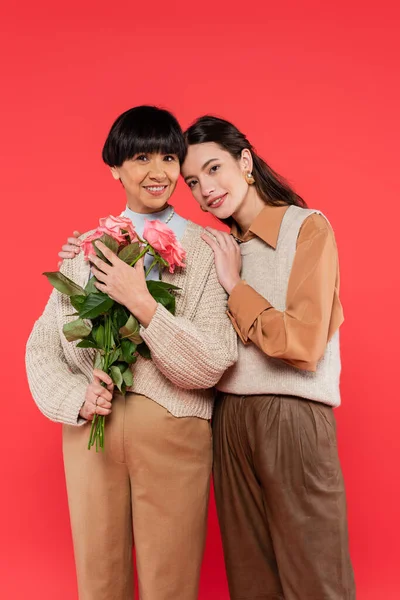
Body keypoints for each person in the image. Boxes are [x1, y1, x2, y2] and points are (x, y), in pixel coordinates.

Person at [26, 106, 237, 600]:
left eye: (168, 157)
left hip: (175, 431)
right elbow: (42, 347)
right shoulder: (85, 250)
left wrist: (142, 304)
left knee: (172, 582)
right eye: (141, 157)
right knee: (98, 580)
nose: (157, 171)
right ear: (115, 168)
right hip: (92, 436)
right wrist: (78, 396)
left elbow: (213, 359)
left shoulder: (207, 250)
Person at [181, 115, 356, 600]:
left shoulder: (307, 228)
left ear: (245, 160)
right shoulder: (217, 249)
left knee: (317, 579)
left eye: (214, 169)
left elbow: (303, 344)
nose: (205, 191)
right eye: (193, 182)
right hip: (228, 420)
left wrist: (236, 286)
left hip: (294, 416)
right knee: (251, 582)